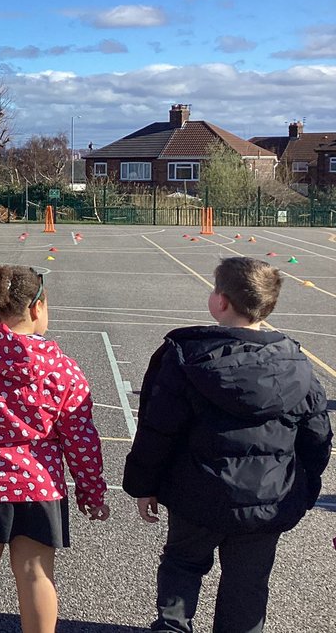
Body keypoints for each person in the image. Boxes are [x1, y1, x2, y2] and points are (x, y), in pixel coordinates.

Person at [123, 257, 331, 633]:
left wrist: (144, 484)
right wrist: (303, 489)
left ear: (220, 301)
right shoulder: (296, 362)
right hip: (267, 499)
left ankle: (172, 626)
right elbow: (317, 436)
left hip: (197, 494)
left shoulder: (186, 355)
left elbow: (157, 430)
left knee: (183, 565)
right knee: (247, 587)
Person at [0, 264, 109, 633]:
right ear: (36, 308)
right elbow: (81, 438)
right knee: (36, 576)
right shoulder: (63, 368)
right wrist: (91, 489)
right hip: (39, 485)